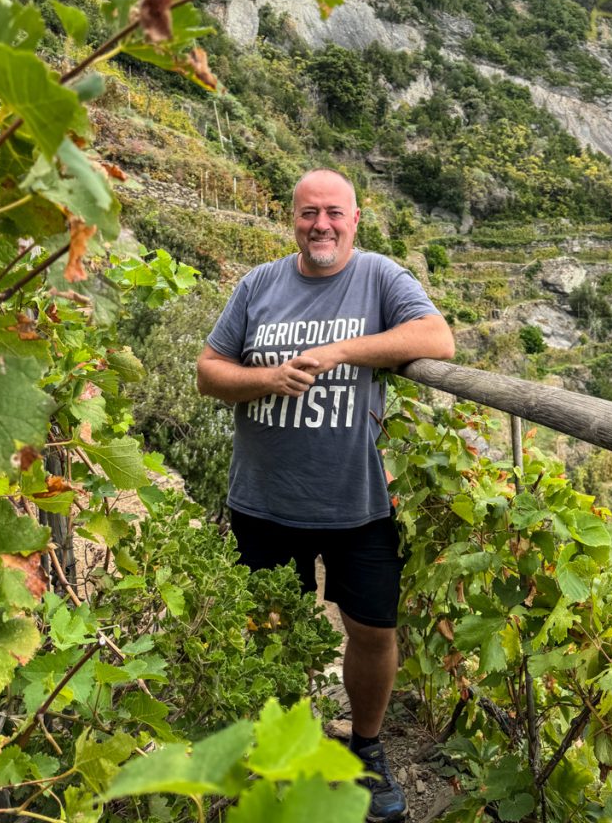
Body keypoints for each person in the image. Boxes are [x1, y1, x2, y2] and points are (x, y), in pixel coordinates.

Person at [196, 168, 454, 822]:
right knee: (270, 628)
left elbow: (435, 339)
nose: (321, 225)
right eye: (309, 213)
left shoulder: (380, 278)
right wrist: (264, 378)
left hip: (355, 500)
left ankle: (365, 752)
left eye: (333, 213)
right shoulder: (257, 285)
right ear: (292, 219)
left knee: (372, 629)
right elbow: (209, 371)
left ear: (354, 219)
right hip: (263, 499)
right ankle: (283, 750)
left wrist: (340, 350)